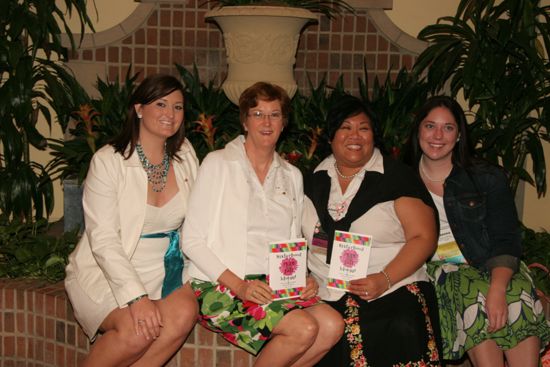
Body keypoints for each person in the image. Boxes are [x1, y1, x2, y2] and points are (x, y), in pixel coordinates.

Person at [181, 81, 344, 366]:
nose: (266, 122)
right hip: (221, 283)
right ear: (244, 121)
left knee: (332, 325)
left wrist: (302, 279)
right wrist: (240, 286)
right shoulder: (217, 164)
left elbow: (293, 241)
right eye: (258, 114)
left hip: (273, 284)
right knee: (303, 328)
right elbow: (192, 241)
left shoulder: (291, 175)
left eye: (275, 114)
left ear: (284, 123)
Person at [403, 95, 550, 367]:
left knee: (514, 291)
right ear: (418, 130)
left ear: (459, 135)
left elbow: (507, 239)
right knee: (468, 290)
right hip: (439, 270)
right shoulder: (400, 180)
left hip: (491, 262)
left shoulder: (486, 176)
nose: (438, 135)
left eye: (448, 128)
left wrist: (497, 287)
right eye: (430, 126)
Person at [64, 74, 199, 366]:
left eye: (178, 107)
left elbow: (200, 219)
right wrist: (136, 298)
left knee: (184, 313)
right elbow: (103, 238)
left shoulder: (185, 154)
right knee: (137, 332)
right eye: (161, 104)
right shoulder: (108, 161)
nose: (170, 114)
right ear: (139, 109)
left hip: (165, 269)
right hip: (108, 268)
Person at [302, 94, 442, 366]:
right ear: (331, 137)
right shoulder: (310, 182)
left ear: (374, 136)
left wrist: (384, 279)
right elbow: (295, 239)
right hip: (324, 291)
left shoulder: (396, 177)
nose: (355, 135)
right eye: (345, 127)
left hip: (392, 287)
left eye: (363, 128)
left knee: (398, 323)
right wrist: (303, 278)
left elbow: (423, 237)